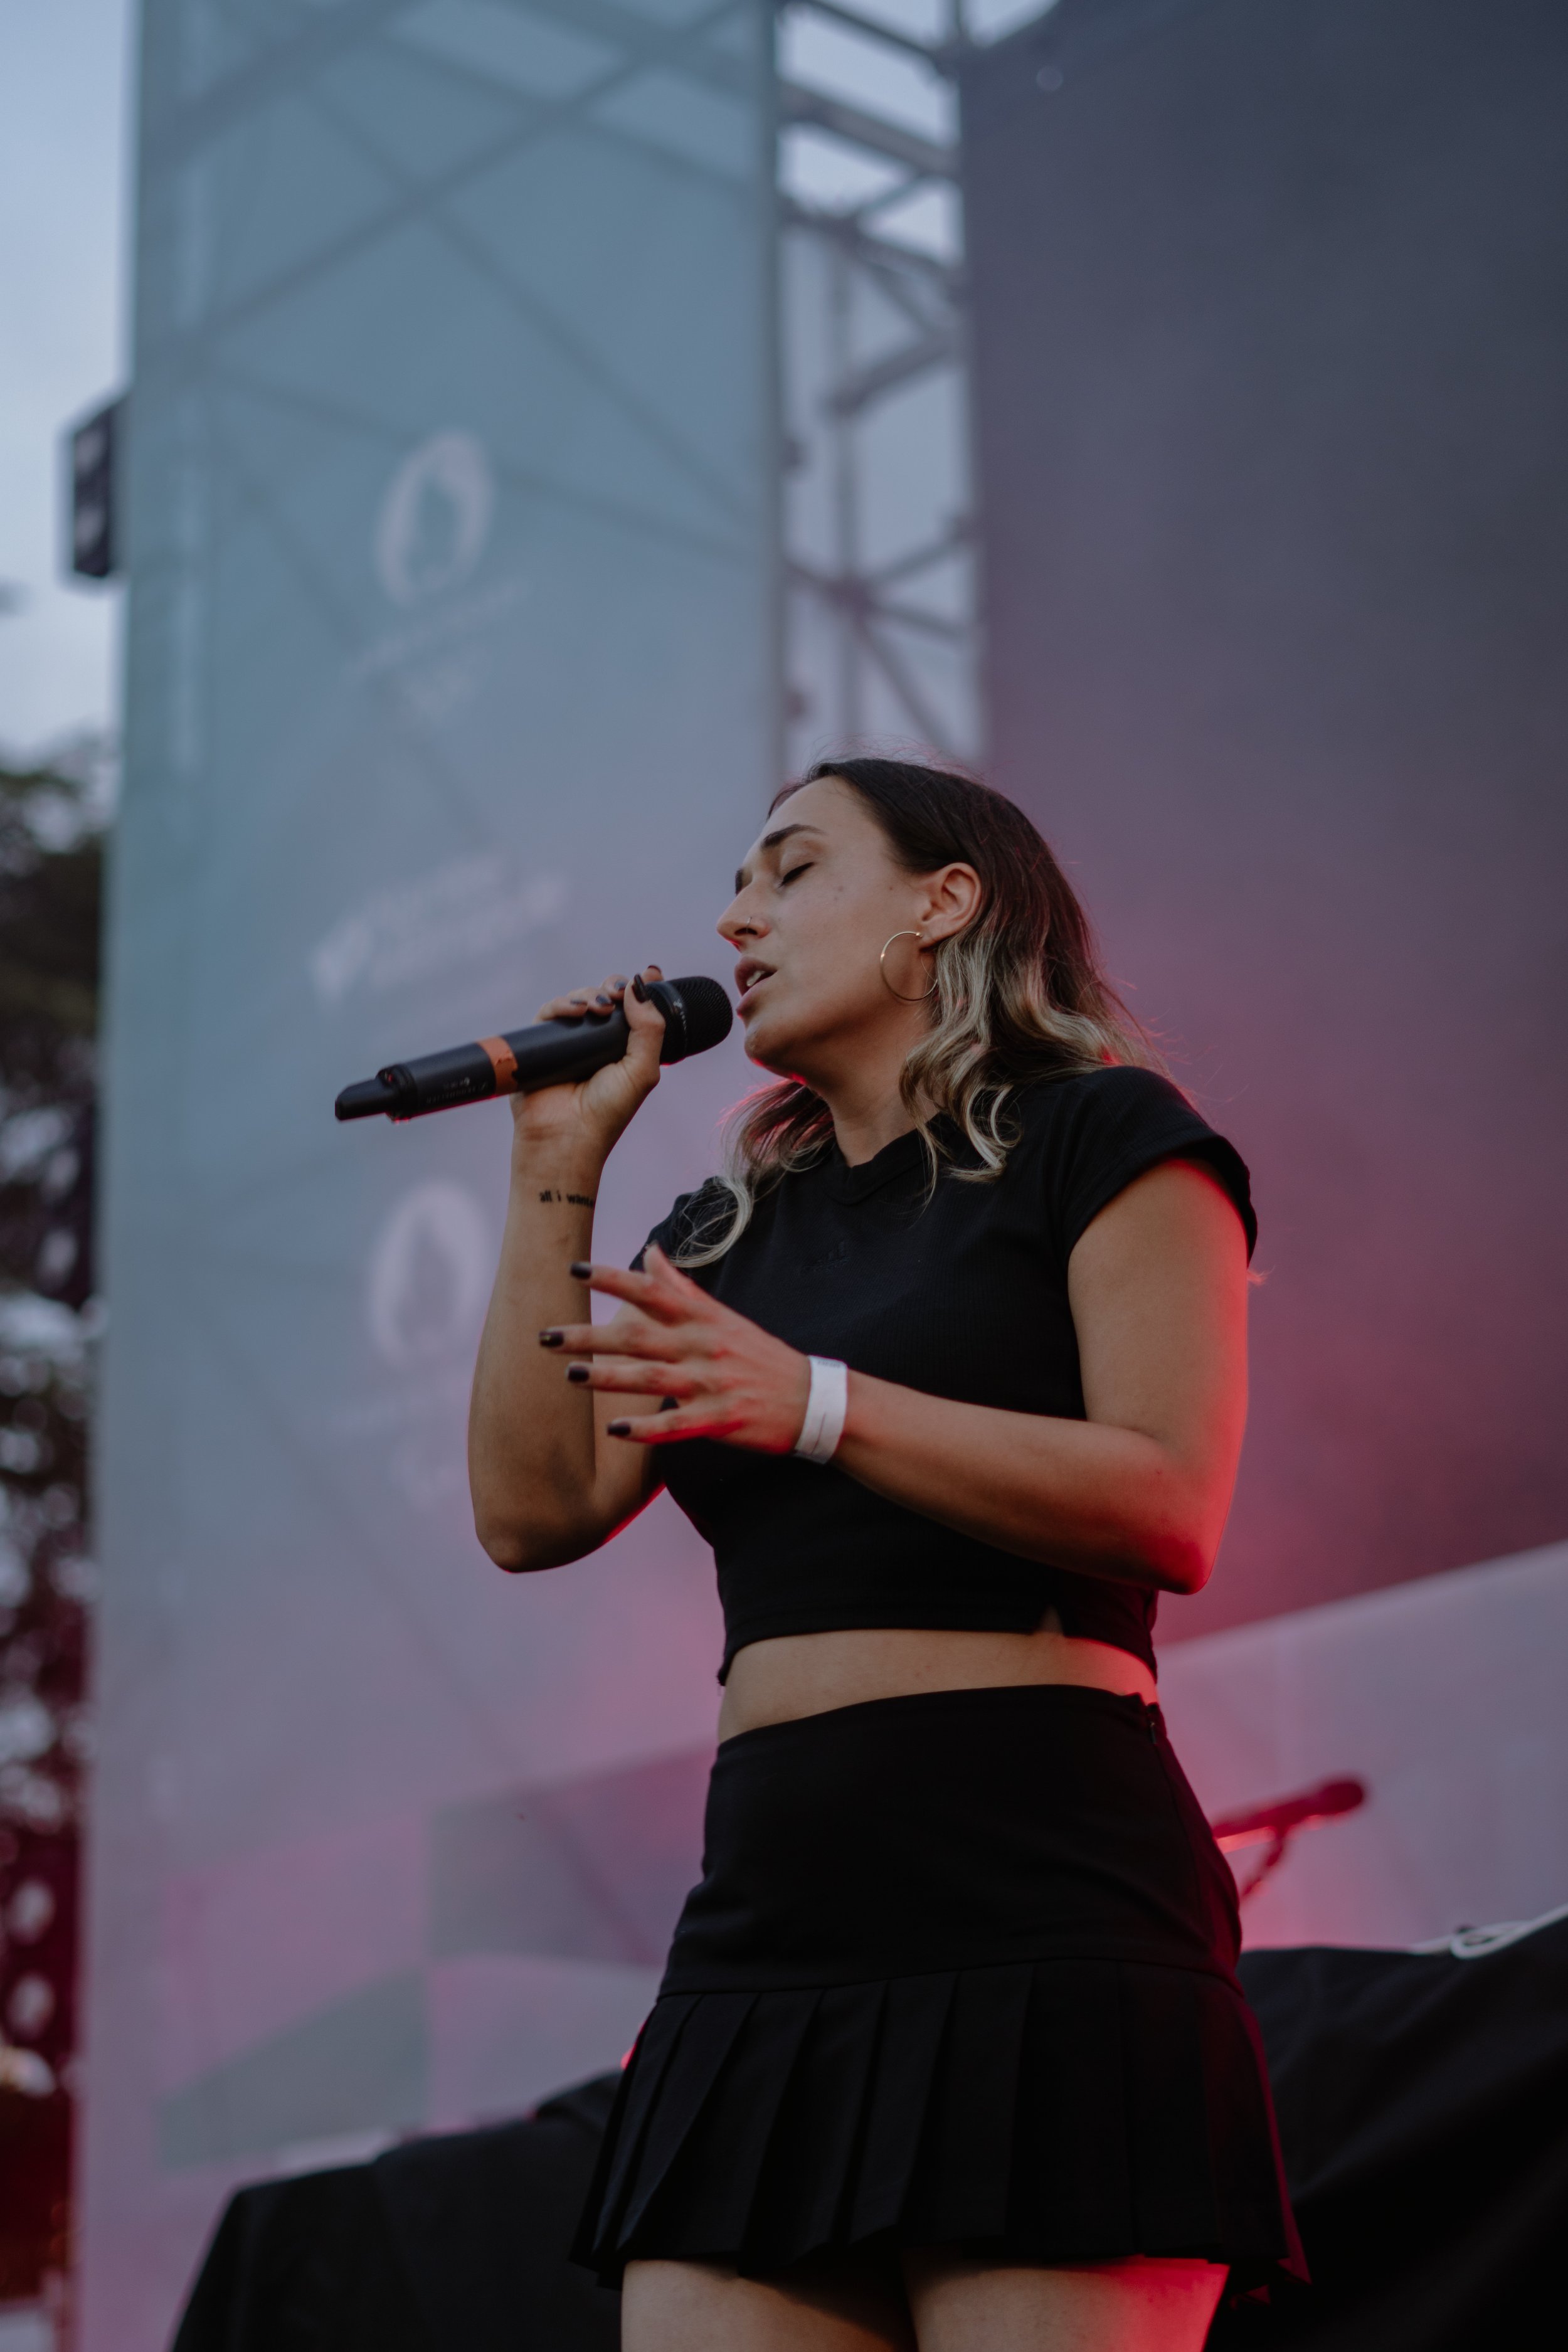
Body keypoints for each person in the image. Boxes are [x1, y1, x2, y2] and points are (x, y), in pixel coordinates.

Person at [468, 758, 1303, 2352]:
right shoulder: (724, 1236)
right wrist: (547, 1168)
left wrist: (817, 1404)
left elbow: (1167, 1502)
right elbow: (533, 1513)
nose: (736, 917)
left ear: (943, 904)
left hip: (1039, 1890)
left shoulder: (1104, 1138)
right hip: (767, 1922)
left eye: (788, 872)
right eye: (738, 883)